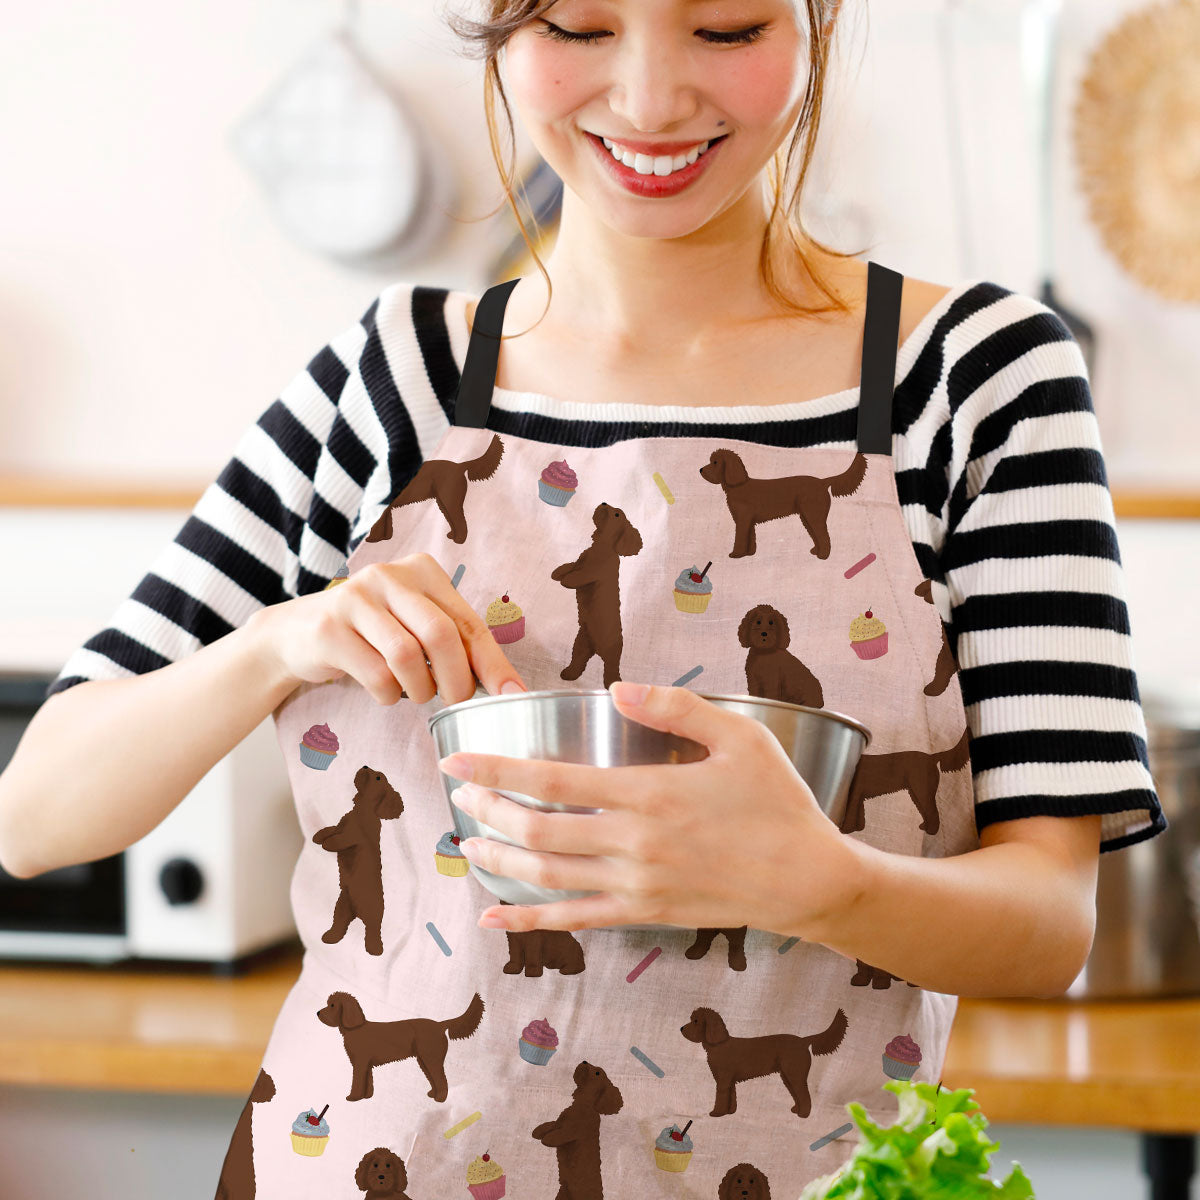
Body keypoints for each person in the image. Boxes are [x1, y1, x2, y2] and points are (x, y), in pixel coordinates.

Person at [0, 0, 1166, 1195]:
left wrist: (823, 885)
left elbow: (1047, 923)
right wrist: (274, 642)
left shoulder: (974, 381)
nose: (653, 100)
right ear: (499, 31)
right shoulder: (392, 380)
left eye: (726, 28)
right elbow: (35, 816)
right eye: (578, 25)